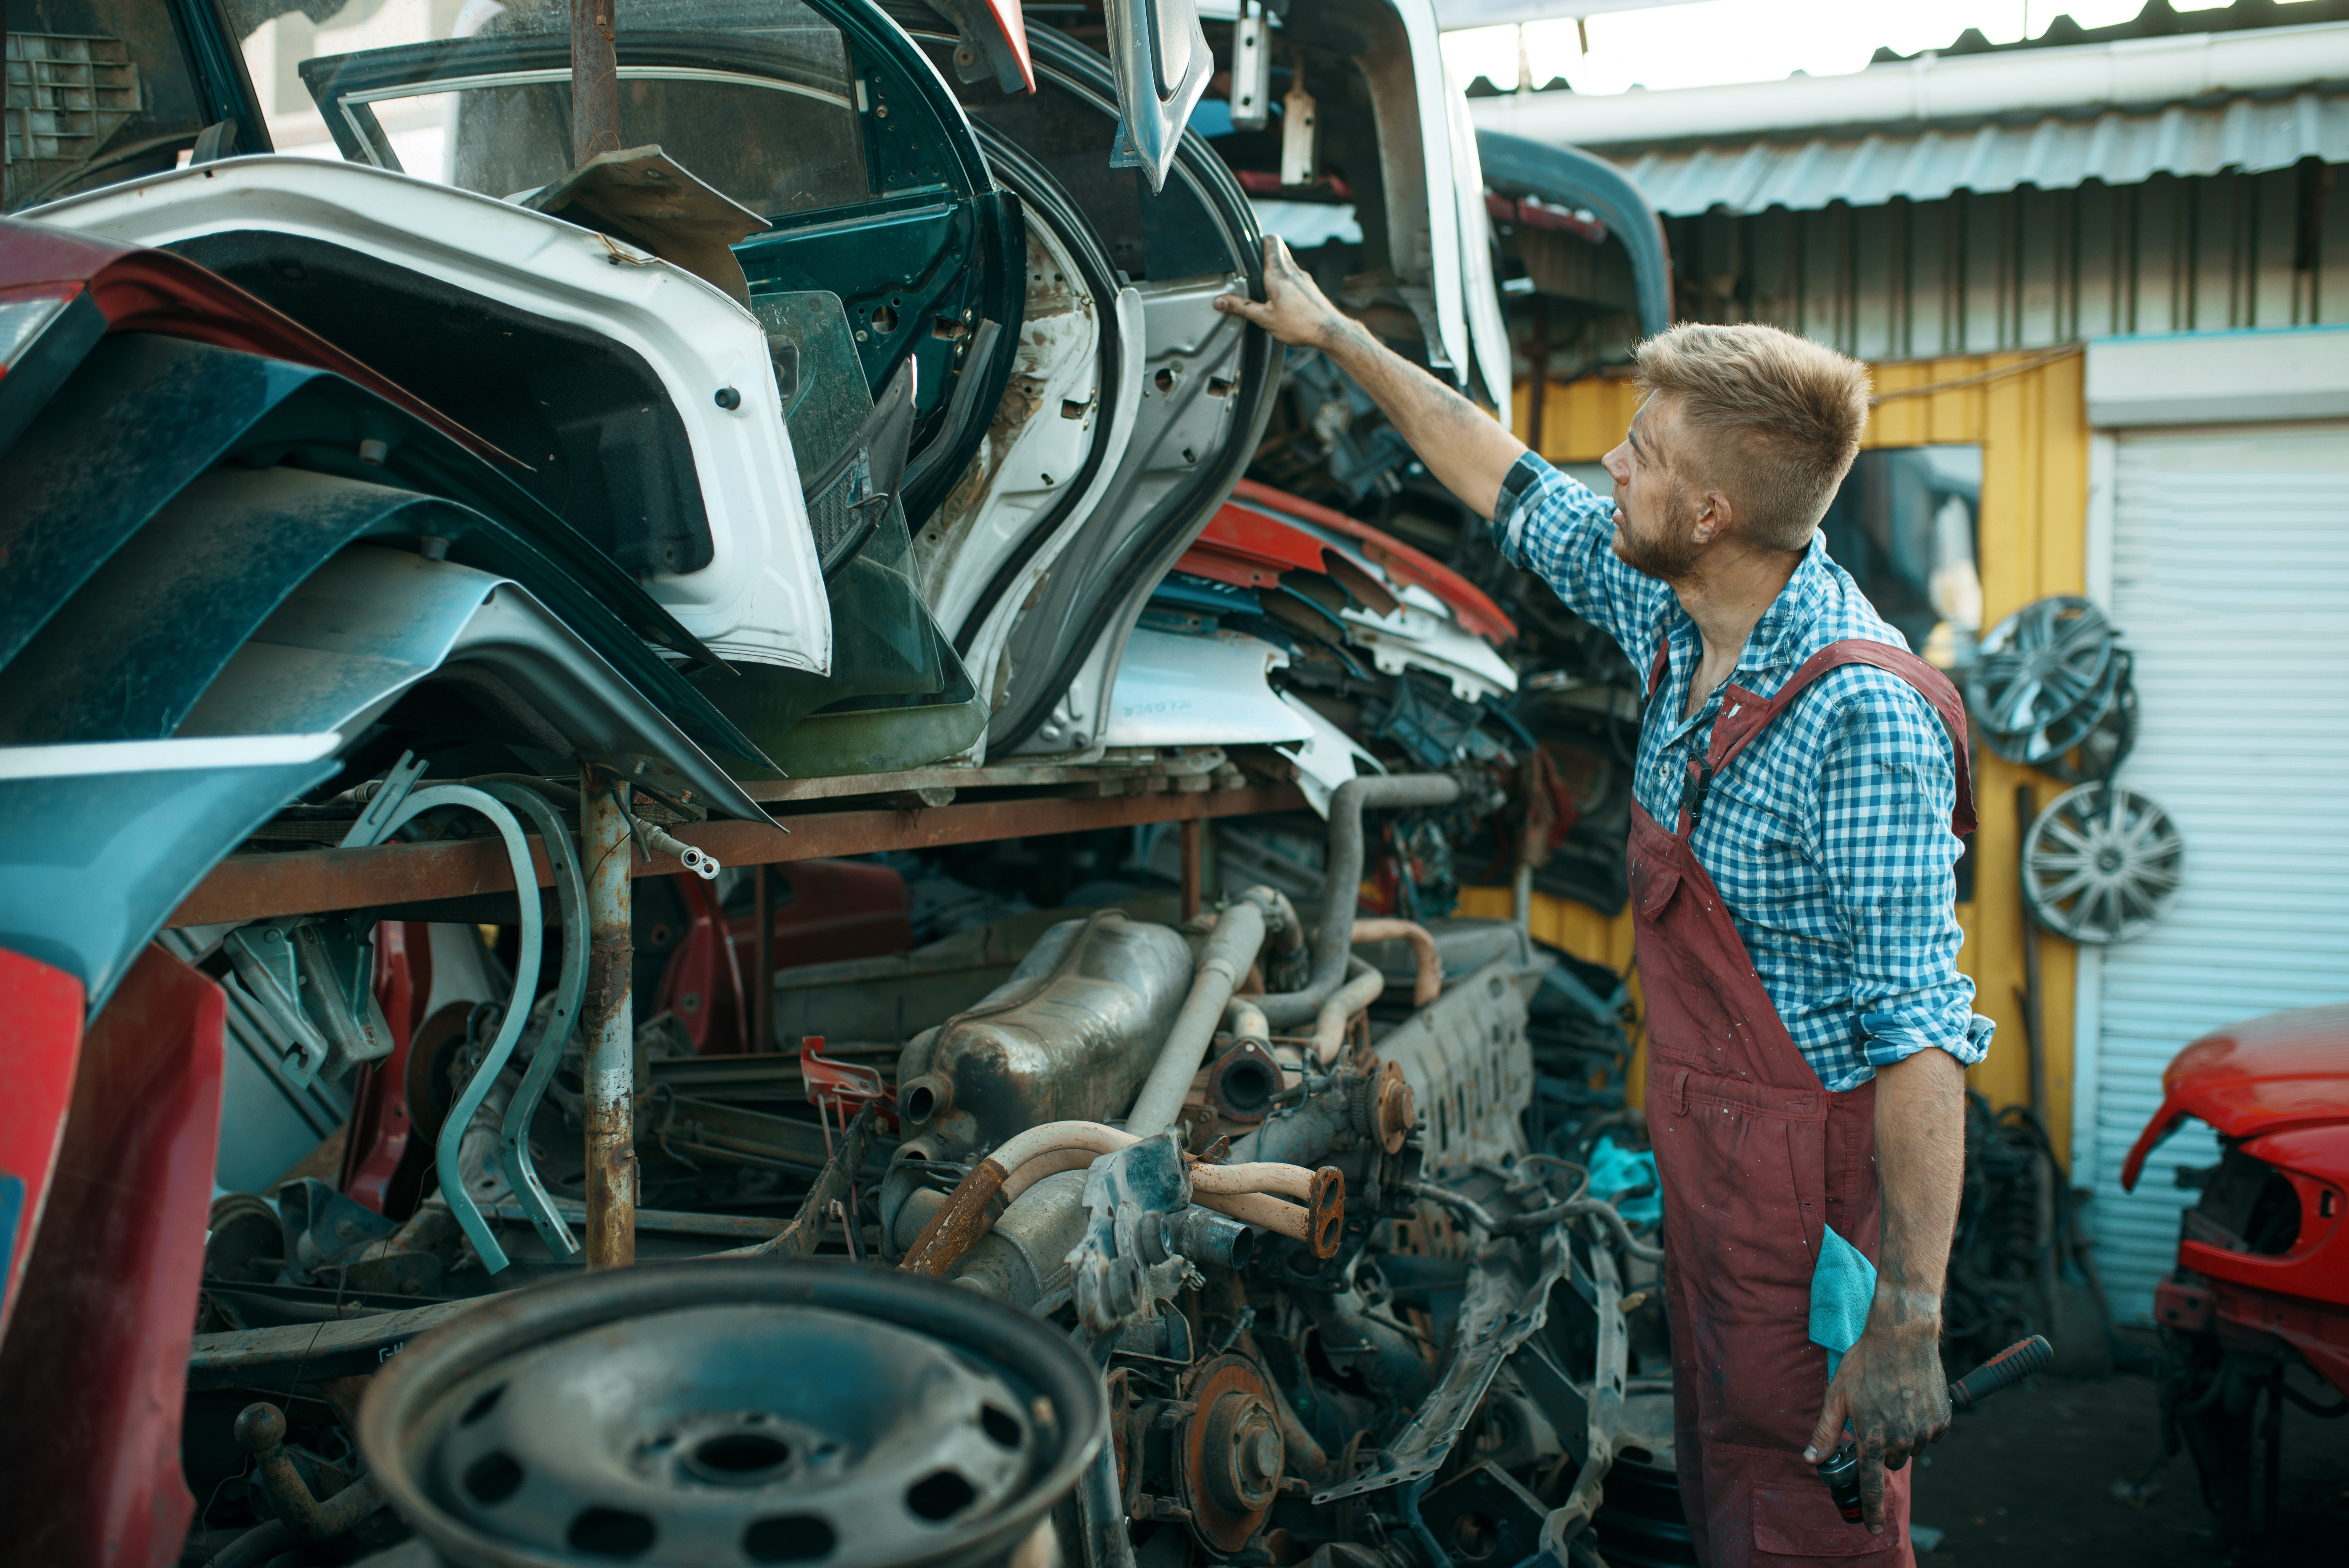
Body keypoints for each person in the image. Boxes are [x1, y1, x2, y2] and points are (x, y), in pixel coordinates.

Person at [1217, 240, 1988, 1568]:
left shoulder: (1860, 716)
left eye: (1639, 452)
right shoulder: (1683, 614)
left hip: (1812, 1207)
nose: (1609, 470)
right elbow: (1498, 475)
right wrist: (1336, 335)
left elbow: (1922, 1034)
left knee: (1803, 1523)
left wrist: (1908, 1319)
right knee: (1718, 1480)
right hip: (1707, 1161)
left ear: (1708, 514)